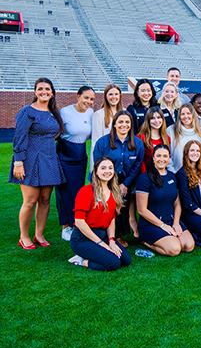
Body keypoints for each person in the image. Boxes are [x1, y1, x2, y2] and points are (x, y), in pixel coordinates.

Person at [12, 78, 67, 250]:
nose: (44, 92)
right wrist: (18, 162)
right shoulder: (27, 111)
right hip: (30, 160)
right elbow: (19, 136)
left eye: (47, 89)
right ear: (35, 92)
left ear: (52, 92)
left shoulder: (52, 112)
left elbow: (54, 133)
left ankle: (39, 234)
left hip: (49, 159)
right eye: (40, 89)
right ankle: (24, 236)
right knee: (30, 200)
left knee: (44, 200)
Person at [68, 156, 132, 271]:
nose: (107, 171)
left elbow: (111, 219)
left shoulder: (114, 191)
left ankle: (96, 252)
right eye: (103, 168)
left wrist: (111, 240)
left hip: (103, 235)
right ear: (96, 172)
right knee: (113, 263)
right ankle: (81, 260)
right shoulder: (86, 191)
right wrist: (100, 243)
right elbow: (79, 222)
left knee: (126, 260)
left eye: (110, 168)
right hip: (83, 238)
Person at [92, 110, 144, 244]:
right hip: (104, 180)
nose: (124, 125)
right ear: (114, 124)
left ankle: (117, 235)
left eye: (127, 122)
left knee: (121, 208)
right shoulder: (103, 142)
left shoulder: (137, 143)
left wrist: (125, 184)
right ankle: (101, 234)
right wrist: (111, 185)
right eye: (120, 122)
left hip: (126, 181)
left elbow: (136, 166)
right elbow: (98, 166)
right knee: (106, 205)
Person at [136, 144, 195, 256]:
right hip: (151, 224)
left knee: (188, 246)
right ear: (153, 158)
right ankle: (147, 243)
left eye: (165, 156)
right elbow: (141, 210)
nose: (162, 159)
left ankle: (171, 236)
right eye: (158, 156)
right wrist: (163, 226)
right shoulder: (144, 178)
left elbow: (177, 203)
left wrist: (176, 223)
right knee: (175, 249)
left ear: (169, 158)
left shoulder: (172, 176)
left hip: (171, 221)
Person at [56, 85, 95, 241]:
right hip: (64, 155)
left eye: (92, 99)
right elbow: (56, 133)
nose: (89, 102)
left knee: (78, 192)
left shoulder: (91, 113)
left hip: (80, 156)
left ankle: (77, 222)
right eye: (86, 97)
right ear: (78, 96)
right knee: (64, 191)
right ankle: (66, 227)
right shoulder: (65, 112)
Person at [169, 103, 201, 172]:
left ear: (193, 115)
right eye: (183, 114)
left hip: (196, 175)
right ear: (179, 116)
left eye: (188, 113)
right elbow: (167, 154)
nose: (186, 116)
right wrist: (173, 171)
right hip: (176, 174)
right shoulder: (171, 131)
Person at [90, 83, 122, 170]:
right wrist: (95, 166)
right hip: (105, 157)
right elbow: (95, 143)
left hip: (121, 158)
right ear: (106, 96)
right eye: (110, 94)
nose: (113, 97)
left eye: (116, 94)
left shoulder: (124, 113)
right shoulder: (99, 115)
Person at [137, 106, 173, 173]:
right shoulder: (140, 138)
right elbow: (140, 161)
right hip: (145, 175)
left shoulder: (167, 138)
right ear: (148, 120)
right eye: (153, 118)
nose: (156, 121)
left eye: (159, 117)